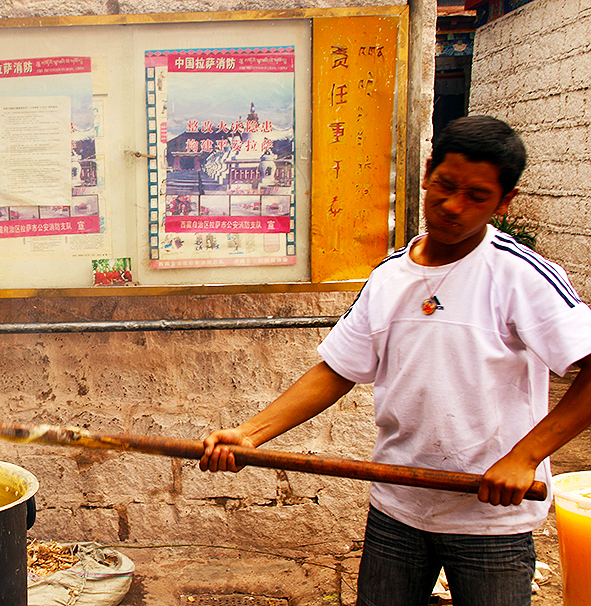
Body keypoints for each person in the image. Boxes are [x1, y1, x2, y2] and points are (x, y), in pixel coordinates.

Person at [200, 115, 591, 606]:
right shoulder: (389, 277)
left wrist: (525, 456)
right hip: (398, 509)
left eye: (477, 197)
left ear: (504, 201)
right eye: (445, 186)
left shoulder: (521, 276)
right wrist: (251, 434)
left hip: (490, 518)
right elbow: (338, 369)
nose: (452, 206)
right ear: (428, 171)